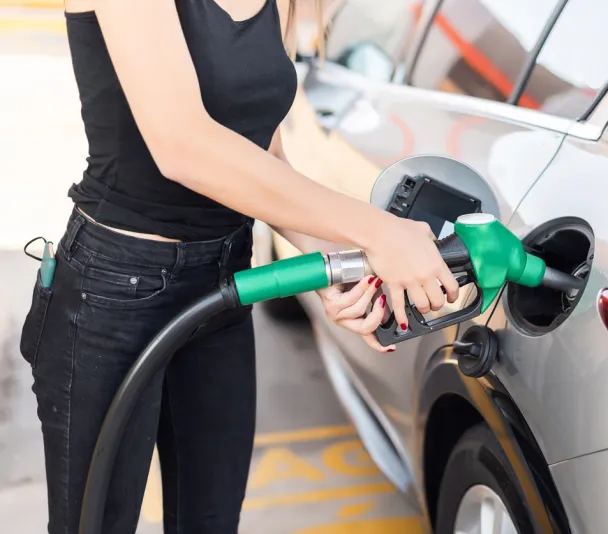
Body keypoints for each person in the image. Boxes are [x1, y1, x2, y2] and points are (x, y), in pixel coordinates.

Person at [18, 1, 459, 532]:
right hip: (113, 289)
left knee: (211, 521)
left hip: (225, 280)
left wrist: (328, 262)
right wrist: (376, 230)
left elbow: (263, 152)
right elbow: (182, 145)